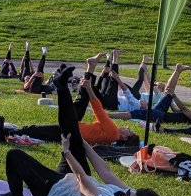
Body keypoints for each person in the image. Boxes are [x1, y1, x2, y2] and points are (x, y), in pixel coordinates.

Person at [0, 64, 162, 196]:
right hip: (71, 182)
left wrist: (68, 152)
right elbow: (106, 172)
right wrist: (82, 143)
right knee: (73, 133)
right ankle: (62, 86)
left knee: (14, 156)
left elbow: (83, 180)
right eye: (128, 195)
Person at [10, 61, 139, 147]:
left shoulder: (113, 132)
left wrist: (89, 88)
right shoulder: (111, 139)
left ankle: (8, 132)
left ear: (125, 137)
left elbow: (98, 109)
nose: (127, 128)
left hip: (70, 130)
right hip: (74, 129)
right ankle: (90, 68)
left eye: (129, 131)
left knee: (35, 130)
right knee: (80, 103)